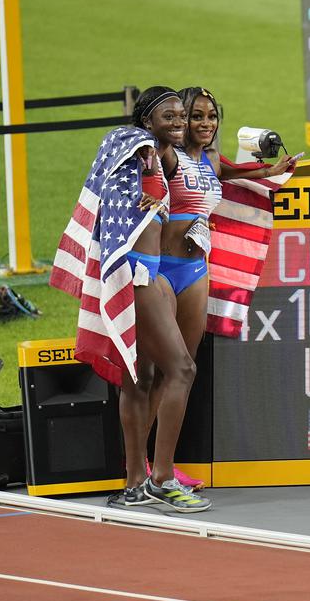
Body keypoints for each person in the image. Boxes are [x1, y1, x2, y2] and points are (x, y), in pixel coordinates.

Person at [52, 87, 211, 513]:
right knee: (182, 369)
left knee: (140, 377)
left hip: (154, 272)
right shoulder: (134, 148)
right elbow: (114, 192)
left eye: (183, 115)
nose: (180, 121)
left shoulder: (162, 159)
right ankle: (161, 478)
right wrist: (143, 203)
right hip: (134, 273)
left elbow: (197, 186)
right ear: (146, 120)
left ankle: (135, 483)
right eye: (169, 116)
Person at [146, 87, 295, 488]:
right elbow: (144, 163)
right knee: (154, 371)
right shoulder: (166, 156)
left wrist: (271, 170)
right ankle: (135, 465)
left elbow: (233, 174)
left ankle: (163, 464)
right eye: (196, 116)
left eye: (212, 116)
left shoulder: (211, 158)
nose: (205, 124)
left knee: (181, 372)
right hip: (160, 268)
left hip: (195, 271)